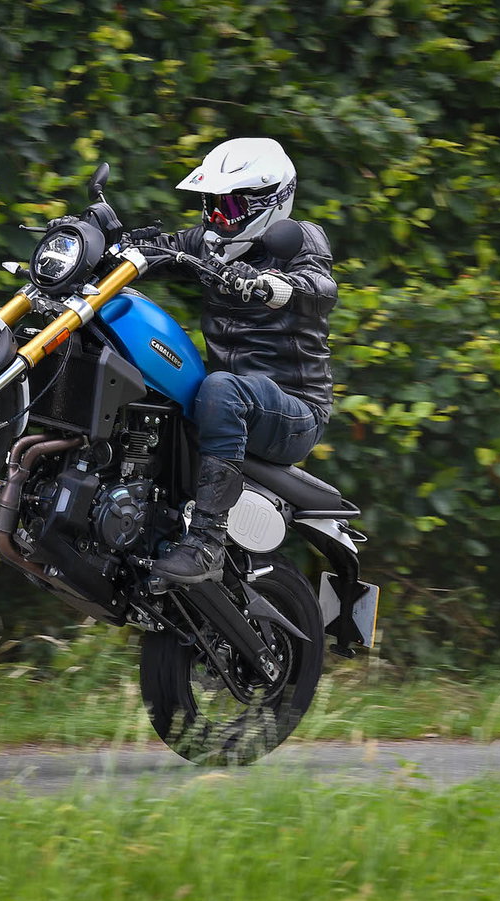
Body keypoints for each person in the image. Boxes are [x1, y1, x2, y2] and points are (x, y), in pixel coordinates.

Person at [138, 137, 338, 584]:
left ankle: (206, 542)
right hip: (231, 400)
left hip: (294, 410)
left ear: (269, 203)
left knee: (220, 388)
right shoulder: (208, 242)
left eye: (229, 207)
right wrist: (102, 238)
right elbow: (161, 248)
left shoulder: (300, 239)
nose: (216, 219)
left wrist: (272, 285)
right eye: (211, 205)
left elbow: (319, 285)